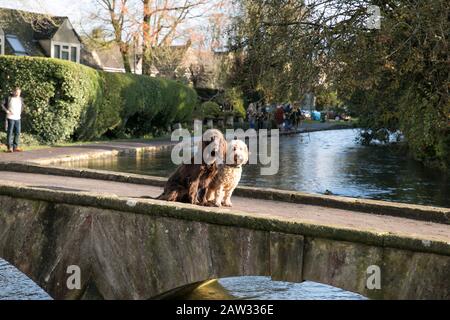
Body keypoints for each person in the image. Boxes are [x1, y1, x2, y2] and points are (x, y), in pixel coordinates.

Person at [2, 87, 25, 152]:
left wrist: (20, 112)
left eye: (19, 92)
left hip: (18, 118)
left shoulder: (21, 99)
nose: (18, 94)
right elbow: (2, 104)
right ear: (14, 92)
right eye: (17, 92)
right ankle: (9, 147)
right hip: (10, 118)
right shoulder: (9, 98)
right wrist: (7, 111)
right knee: (10, 132)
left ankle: (15, 147)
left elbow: (23, 106)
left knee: (17, 132)